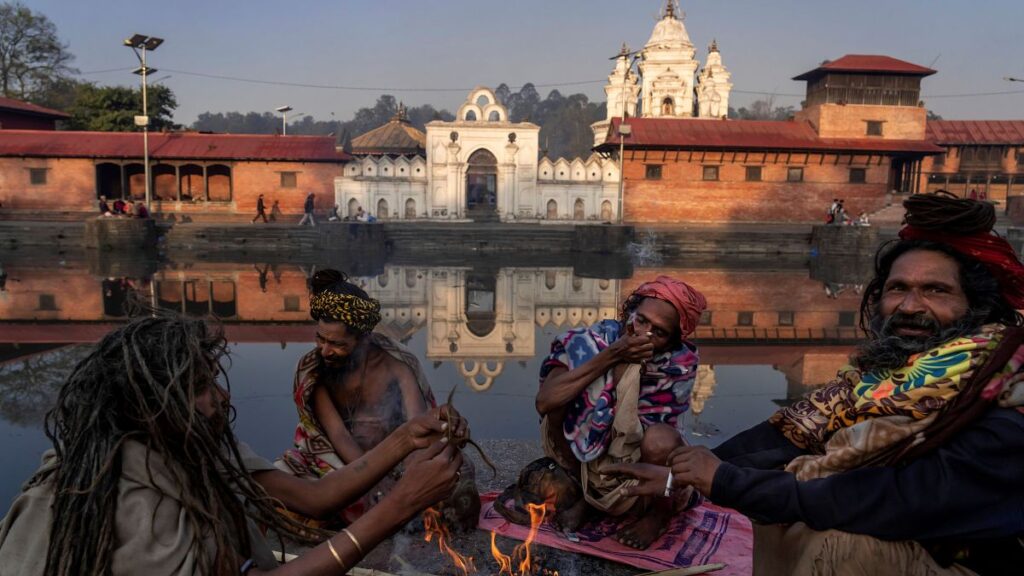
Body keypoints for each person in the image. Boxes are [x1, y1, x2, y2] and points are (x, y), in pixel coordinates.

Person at [609, 192, 1024, 575]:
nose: (911, 306)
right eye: (898, 288)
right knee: (780, 505)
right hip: (909, 535)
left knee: (838, 540)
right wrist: (685, 475)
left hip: (968, 560)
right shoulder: (884, 381)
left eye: (936, 290)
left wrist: (724, 481)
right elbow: (786, 436)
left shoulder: (1005, 391)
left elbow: (904, 498)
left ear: (978, 305)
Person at [0, 314, 466, 575]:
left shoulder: (194, 445)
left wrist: (407, 436)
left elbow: (315, 497)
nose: (222, 398)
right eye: (201, 387)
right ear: (149, 408)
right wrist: (399, 505)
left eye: (213, 380)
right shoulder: (134, 512)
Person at [276, 269, 480, 526]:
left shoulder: (397, 366)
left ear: (364, 338)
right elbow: (339, 436)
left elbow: (417, 426)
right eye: (320, 339)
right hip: (335, 463)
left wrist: (444, 431)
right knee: (283, 487)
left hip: (393, 460)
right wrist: (373, 482)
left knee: (458, 474)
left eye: (337, 344)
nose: (325, 350)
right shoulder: (315, 372)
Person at [535, 276, 707, 549]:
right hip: (581, 449)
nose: (644, 334)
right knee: (562, 403)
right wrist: (613, 355)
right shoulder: (589, 342)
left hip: (637, 460)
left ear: (672, 341)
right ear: (629, 313)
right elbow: (545, 402)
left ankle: (657, 514)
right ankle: (585, 494)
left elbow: (658, 434)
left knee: (660, 440)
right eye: (642, 321)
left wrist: (628, 375)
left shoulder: (676, 364)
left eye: (659, 332)